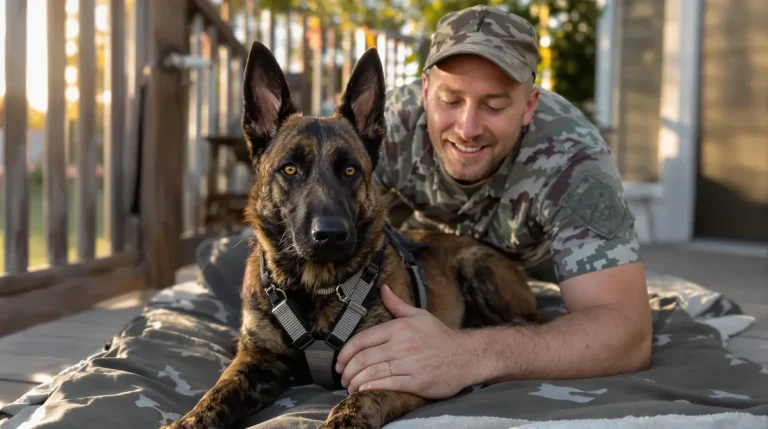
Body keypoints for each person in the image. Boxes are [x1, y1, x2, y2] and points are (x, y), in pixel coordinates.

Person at [334, 5, 653, 399]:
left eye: (494, 106)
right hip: (434, 265)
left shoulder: (573, 159)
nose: (467, 128)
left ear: (530, 105)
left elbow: (627, 334)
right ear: (426, 91)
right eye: (451, 100)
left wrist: (465, 355)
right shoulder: (382, 129)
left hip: (539, 276)